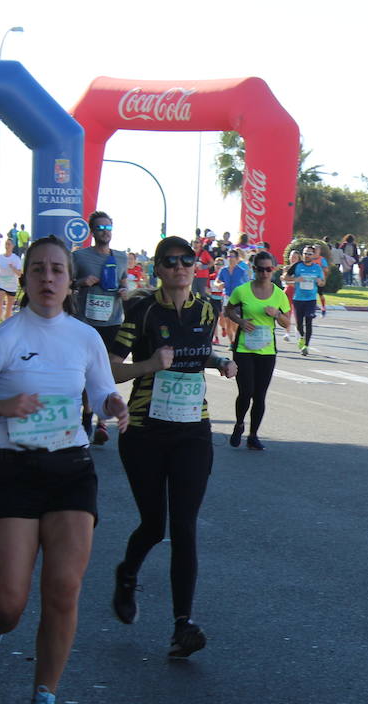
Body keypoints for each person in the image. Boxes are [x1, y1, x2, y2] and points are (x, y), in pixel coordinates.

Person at [0, 235, 128, 704]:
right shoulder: (7, 337)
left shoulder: (85, 336)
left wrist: (113, 405)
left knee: (64, 588)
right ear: (24, 279)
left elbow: (101, 389)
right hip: (15, 472)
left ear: (70, 281)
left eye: (57, 270)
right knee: (8, 602)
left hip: (71, 469)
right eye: (38, 270)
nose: (47, 278)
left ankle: (44, 697)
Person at [108, 236, 236, 658]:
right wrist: (149, 365)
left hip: (192, 431)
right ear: (158, 269)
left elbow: (196, 353)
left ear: (196, 267)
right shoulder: (142, 311)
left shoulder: (207, 309)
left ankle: (183, 624)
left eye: (187, 261)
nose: (180, 267)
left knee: (184, 526)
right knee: (153, 525)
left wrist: (220, 363)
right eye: (171, 262)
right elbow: (110, 367)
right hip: (145, 430)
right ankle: (127, 575)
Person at [70, 211, 132, 446]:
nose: (105, 232)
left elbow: (124, 281)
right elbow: (66, 282)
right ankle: (88, 413)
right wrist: (80, 283)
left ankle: (102, 422)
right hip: (86, 322)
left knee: (106, 372)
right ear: (92, 231)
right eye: (101, 228)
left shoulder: (121, 257)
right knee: (88, 372)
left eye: (109, 228)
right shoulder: (80, 257)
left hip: (112, 321)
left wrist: (125, 291)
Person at [225, 250, 290, 450]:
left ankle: (253, 435)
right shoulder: (242, 291)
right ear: (254, 269)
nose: (264, 273)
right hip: (244, 349)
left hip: (267, 351)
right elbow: (228, 310)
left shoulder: (279, 294)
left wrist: (277, 314)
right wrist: (241, 321)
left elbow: (287, 323)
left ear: (273, 270)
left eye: (268, 269)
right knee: (245, 392)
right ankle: (239, 424)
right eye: (260, 269)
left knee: (260, 395)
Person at [288, 244, 325, 354]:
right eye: (305, 253)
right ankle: (301, 338)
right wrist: (296, 279)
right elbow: (285, 276)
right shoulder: (297, 266)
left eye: (309, 254)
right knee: (299, 323)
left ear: (313, 255)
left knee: (309, 321)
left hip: (311, 299)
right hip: (298, 299)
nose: (307, 256)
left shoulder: (317, 268)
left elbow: (323, 282)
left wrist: (320, 282)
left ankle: (306, 346)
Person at [215, 248, 250, 345]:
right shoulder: (223, 270)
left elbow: (248, 285)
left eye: (233, 256)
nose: (230, 258)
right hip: (226, 298)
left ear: (237, 258)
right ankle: (232, 343)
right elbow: (217, 281)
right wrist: (219, 284)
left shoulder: (242, 271)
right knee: (227, 323)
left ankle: (237, 341)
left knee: (235, 323)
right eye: (229, 256)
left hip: (237, 299)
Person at [0, 236, 23, 323]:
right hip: (1, 281)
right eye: (6, 244)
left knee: (9, 308)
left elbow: (20, 273)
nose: (7, 246)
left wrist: (13, 268)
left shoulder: (16, 259)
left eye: (9, 244)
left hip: (11, 283)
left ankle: (6, 323)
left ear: (13, 246)